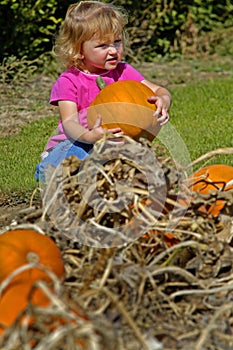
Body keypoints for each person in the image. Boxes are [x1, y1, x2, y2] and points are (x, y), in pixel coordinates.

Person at [34, 0, 172, 182]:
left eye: (117, 42)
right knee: (79, 157)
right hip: (76, 141)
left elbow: (159, 90)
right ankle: (48, 166)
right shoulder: (69, 81)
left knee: (140, 163)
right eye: (103, 46)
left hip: (115, 141)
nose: (113, 50)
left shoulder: (123, 71)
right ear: (78, 49)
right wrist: (90, 136)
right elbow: (69, 123)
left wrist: (163, 100)